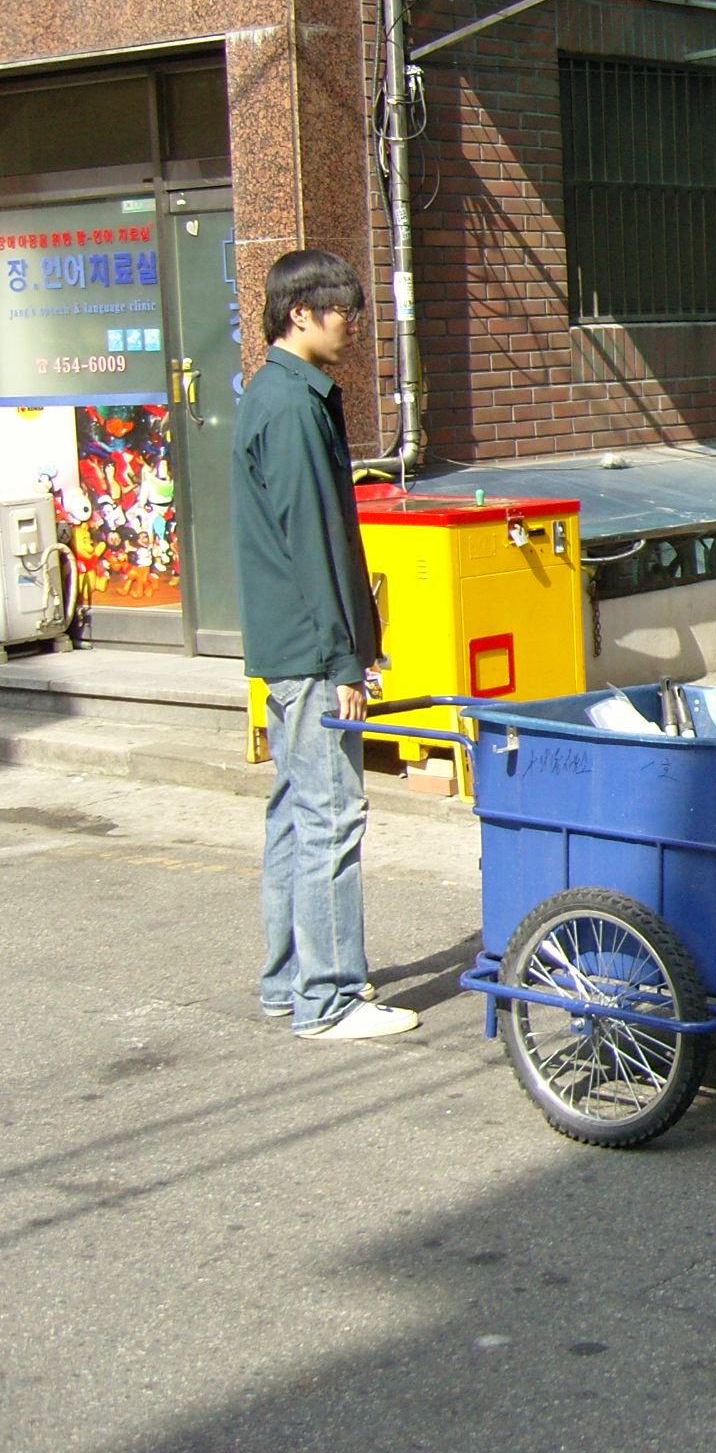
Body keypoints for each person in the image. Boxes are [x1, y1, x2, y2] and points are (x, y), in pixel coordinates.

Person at [234, 250, 419, 1041]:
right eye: (341, 308)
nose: (352, 323)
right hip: (311, 652)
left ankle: (288, 982)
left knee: (295, 815)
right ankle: (330, 997)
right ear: (298, 312)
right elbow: (315, 541)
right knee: (331, 819)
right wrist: (348, 657)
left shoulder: (274, 395)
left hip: (290, 642)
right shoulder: (290, 406)